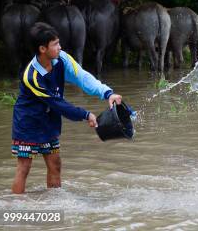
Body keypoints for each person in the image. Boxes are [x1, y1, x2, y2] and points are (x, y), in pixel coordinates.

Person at [11, 22, 123, 194]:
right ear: (42, 49)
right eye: (55, 44)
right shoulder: (31, 76)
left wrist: (108, 93)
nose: (60, 47)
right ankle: (16, 209)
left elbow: (83, 77)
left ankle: (54, 204)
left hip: (49, 121)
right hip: (28, 123)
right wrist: (85, 114)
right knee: (24, 167)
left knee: (55, 164)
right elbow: (58, 104)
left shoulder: (61, 59)